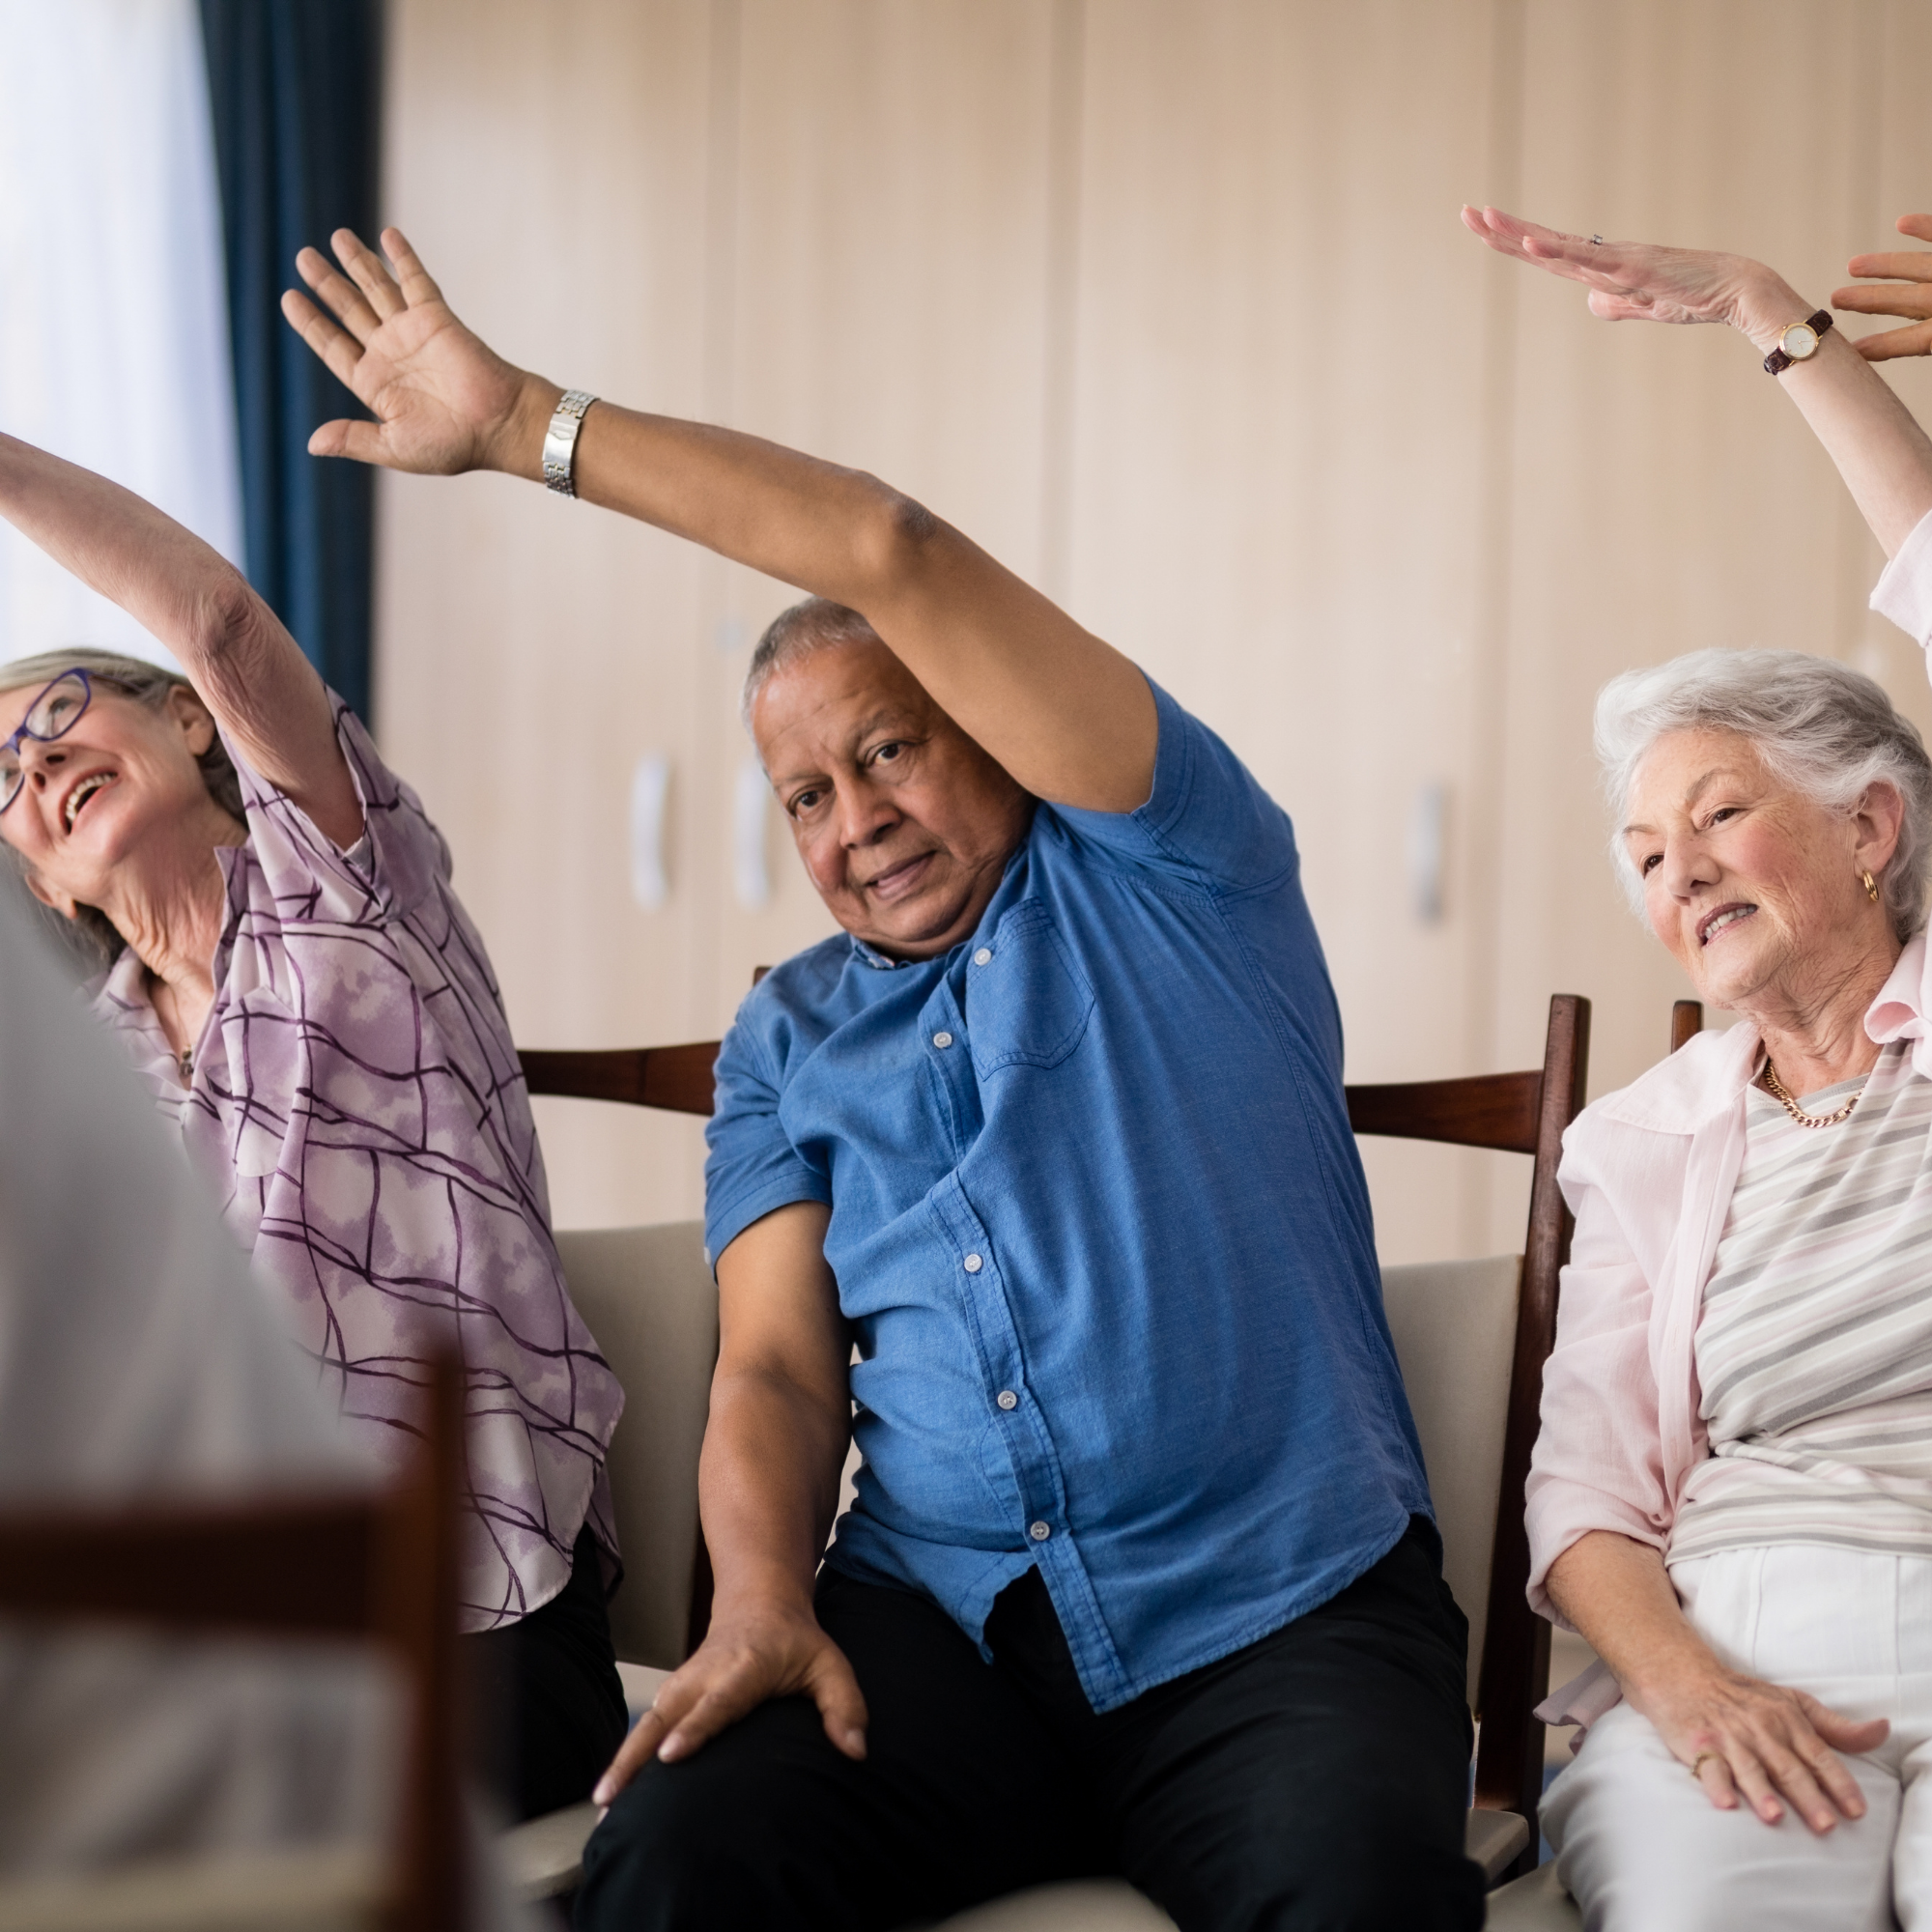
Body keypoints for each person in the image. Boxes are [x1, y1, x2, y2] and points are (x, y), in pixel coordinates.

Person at [281, 227, 1484, 1930]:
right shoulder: (785, 1037)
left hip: (1274, 1625)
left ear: (990, 727)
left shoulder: (1176, 868)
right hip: (941, 1634)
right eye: (806, 798)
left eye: (892, 749)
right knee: (678, 1864)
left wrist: (528, 424)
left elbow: (890, 547)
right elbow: (772, 1370)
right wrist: (764, 1600)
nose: (857, 823)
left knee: (1350, 1896)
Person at [0, 439, 627, 1823]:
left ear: (191, 722)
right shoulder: (83, 1084)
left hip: (482, 1625)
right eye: (4, 782)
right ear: (39, 887)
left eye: (62, 712)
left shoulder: (346, 889)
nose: (37, 763)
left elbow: (219, 622)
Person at [1463, 204, 1932, 1928]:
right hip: (1734, 1648)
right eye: (1647, 856)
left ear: (1871, 826)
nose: (1681, 875)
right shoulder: (1648, 1137)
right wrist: (1680, 1688)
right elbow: (1582, 1496)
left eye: (1721, 813)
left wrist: (1779, 329)